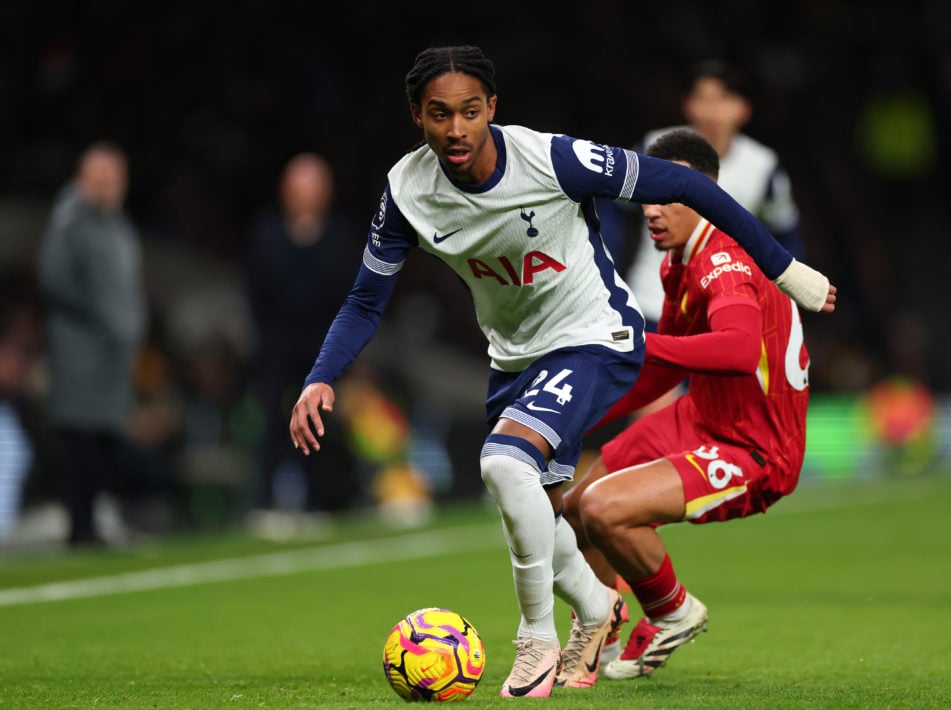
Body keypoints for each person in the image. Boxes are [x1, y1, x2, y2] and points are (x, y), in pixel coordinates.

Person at [289, 46, 835, 698]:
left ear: (492, 109)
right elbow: (364, 300)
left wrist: (784, 270)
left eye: (469, 111)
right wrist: (321, 374)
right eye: (440, 114)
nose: (456, 128)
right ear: (418, 116)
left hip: (605, 349)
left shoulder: (556, 163)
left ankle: (542, 637)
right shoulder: (407, 191)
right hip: (520, 357)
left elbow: (700, 232)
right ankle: (606, 607)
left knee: (522, 472)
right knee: (553, 507)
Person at [563, 128, 814, 680]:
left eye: (665, 196)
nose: (649, 210)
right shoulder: (681, 257)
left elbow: (740, 350)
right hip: (701, 415)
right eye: (645, 195)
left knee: (605, 508)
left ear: (703, 195)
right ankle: (601, 625)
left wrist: (636, 341)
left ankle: (671, 609)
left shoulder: (725, 261)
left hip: (756, 447)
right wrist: (575, 422)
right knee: (578, 506)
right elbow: (669, 366)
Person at [623, 59, 806, 331]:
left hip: (722, 314)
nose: (712, 112)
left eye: (723, 100)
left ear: (743, 109)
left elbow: (785, 234)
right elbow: (612, 212)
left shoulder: (763, 167)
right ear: (688, 105)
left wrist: (778, 298)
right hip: (649, 306)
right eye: (703, 99)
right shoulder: (652, 149)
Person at [38, 141, 149, 547]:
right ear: (83, 179)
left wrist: (130, 323)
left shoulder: (117, 225)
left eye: (114, 177)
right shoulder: (70, 219)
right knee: (80, 441)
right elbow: (54, 279)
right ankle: (79, 528)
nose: (108, 185)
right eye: (100, 177)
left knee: (104, 440)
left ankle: (95, 523)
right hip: (80, 354)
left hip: (112, 358)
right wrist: (104, 316)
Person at [243, 152, 363, 518]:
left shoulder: (341, 239)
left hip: (323, 353)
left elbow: (353, 298)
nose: (305, 195)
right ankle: (264, 503)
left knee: (321, 427)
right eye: (298, 187)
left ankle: (317, 501)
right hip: (276, 349)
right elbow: (255, 293)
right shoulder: (266, 234)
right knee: (272, 425)